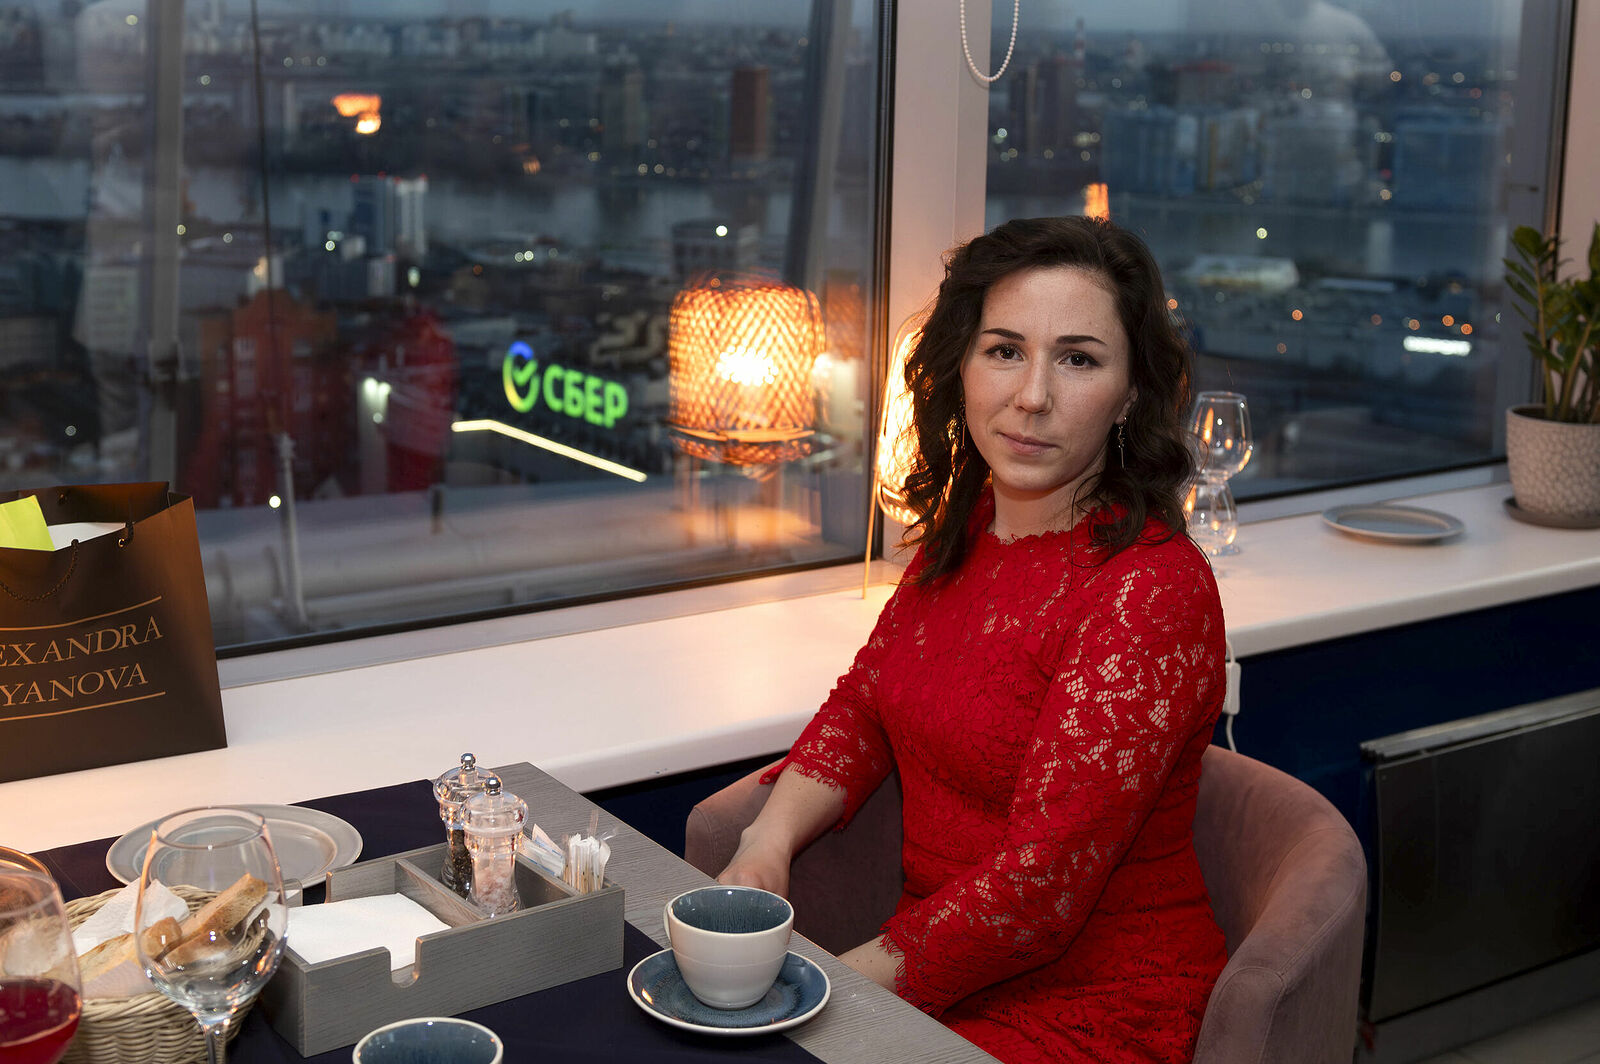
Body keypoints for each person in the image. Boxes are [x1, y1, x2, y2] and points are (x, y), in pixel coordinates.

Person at [718, 216, 1229, 1063]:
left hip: (1090, 1007)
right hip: (932, 975)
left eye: (1078, 359)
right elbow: (866, 705)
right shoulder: (973, 524)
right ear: (962, 364)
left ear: (1132, 394)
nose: (1032, 396)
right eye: (1004, 350)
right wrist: (765, 842)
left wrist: (830, 991)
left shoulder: (1151, 588)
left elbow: (1040, 888)